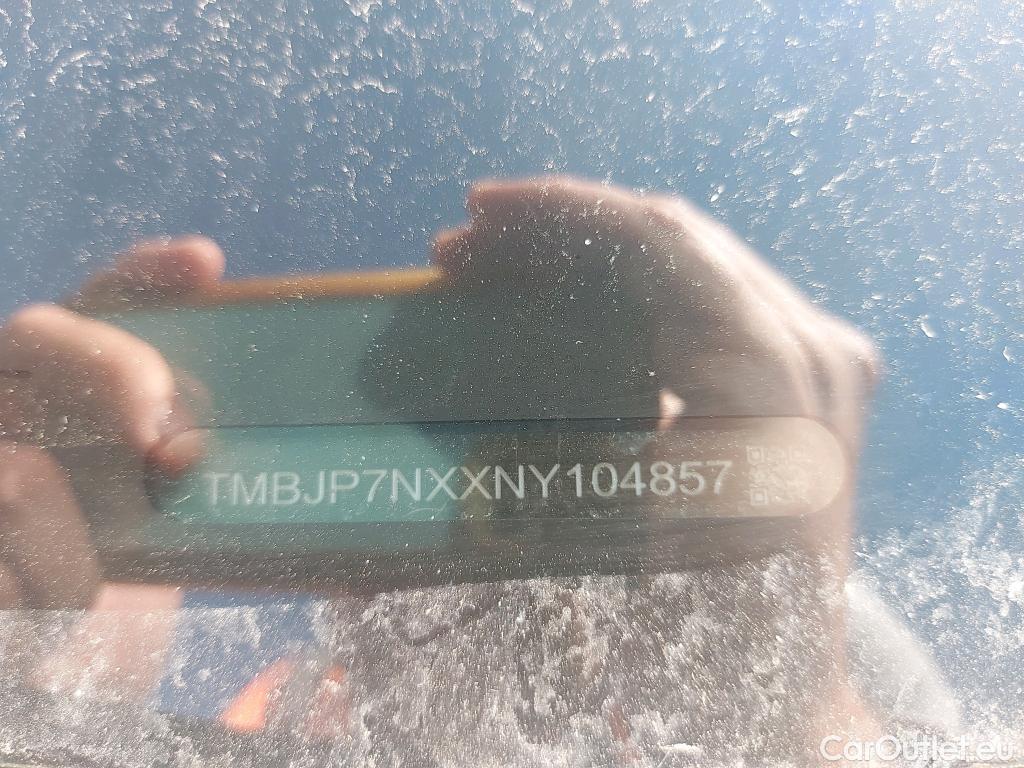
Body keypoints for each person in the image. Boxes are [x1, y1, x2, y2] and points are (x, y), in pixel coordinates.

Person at [0, 177, 957, 765]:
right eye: (410, 445)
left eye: (554, 445)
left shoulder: (819, 622)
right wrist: (53, 681)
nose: (448, 500)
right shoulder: (276, 709)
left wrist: (782, 723)